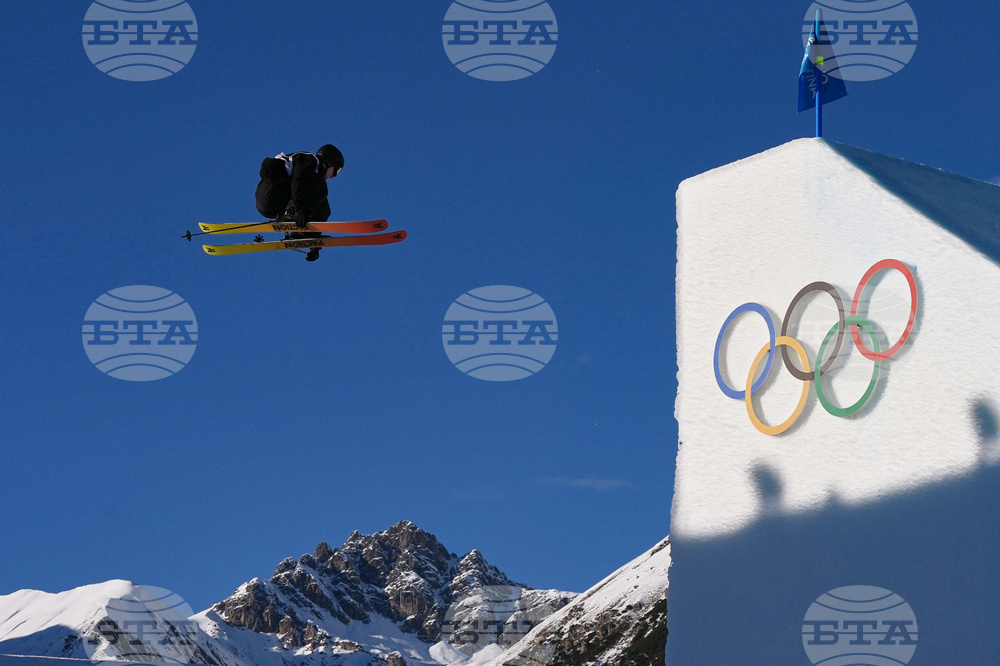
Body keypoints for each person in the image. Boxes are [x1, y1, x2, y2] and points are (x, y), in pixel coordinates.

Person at [254, 144, 344, 261]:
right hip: (272, 191)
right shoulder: (312, 160)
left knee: (322, 205)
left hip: (267, 203)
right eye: (337, 170)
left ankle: (302, 233)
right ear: (329, 161)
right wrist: (298, 209)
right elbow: (299, 180)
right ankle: (291, 214)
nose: (334, 176)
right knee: (320, 186)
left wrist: (313, 245)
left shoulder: (312, 176)